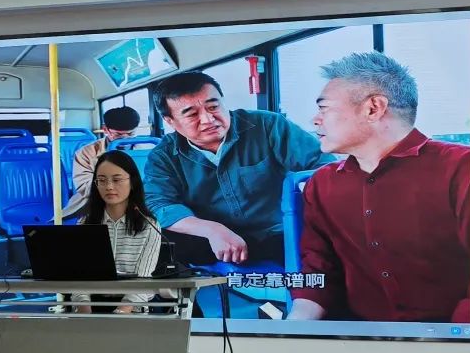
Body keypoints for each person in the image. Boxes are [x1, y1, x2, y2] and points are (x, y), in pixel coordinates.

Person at [287, 51, 470, 322]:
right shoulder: (322, 184)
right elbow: (319, 269)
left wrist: (454, 342)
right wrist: (296, 324)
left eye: (324, 108)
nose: (315, 120)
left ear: (373, 108)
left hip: (456, 337)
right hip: (360, 337)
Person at [143, 71, 334, 266]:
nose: (208, 119)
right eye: (192, 114)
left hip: (279, 232)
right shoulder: (163, 156)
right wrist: (212, 230)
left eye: (213, 107)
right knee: (153, 241)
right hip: (211, 240)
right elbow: (158, 203)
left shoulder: (267, 126)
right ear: (170, 121)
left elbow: (324, 165)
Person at [58, 150, 161, 353]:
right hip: (91, 307)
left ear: (132, 182)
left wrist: (121, 312)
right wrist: (84, 309)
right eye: (101, 180)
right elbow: (77, 279)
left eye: (117, 179)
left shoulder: (149, 226)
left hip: (131, 311)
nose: (109, 186)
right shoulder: (84, 224)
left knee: (113, 342)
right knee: (81, 344)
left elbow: (144, 284)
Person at [61, 106, 140, 218]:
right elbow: (84, 186)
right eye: (118, 135)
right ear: (105, 129)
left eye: (131, 134)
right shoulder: (86, 153)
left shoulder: (148, 149)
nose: (126, 139)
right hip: (98, 201)